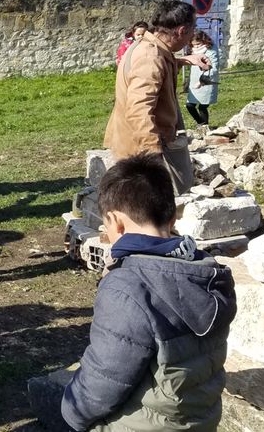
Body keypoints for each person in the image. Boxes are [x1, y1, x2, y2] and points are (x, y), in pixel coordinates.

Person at [60, 153, 236, 431]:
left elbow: (106, 377)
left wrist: (72, 411)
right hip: (199, 421)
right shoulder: (207, 271)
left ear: (115, 221)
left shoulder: (128, 287)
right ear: (170, 216)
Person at [104, 0, 212, 195]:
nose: (192, 35)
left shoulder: (150, 46)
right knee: (148, 211)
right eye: (192, 29)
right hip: (139, 149)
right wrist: (154, 156)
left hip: (139, 143)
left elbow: (159, 67)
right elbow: (139, 110)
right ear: (181, 31)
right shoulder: (150, 57)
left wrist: (185, 60)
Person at [185, 30, 221, 128]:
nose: (196, 47)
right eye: (194, 45)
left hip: (206, 82)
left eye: (198, 44)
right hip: (194, 82)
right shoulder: (193, 51)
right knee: (190, 105)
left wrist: (203, 81)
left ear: (204, 41)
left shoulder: (211, 50)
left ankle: (204, 127)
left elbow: (214, 67)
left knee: (203, 106)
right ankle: (202, 123)